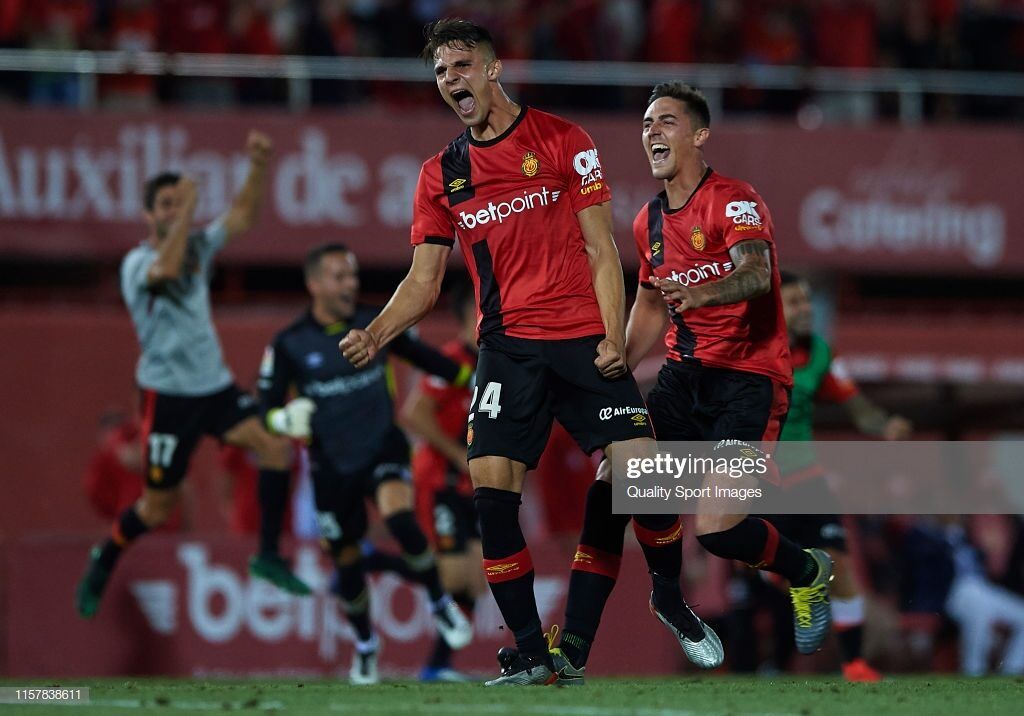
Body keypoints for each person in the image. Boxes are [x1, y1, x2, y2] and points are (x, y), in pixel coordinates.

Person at [341, 19, 722, 686]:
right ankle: (529, 651)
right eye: (440, 72)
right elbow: (424, 281)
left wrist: (612, 336)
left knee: (641, 473)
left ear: (491, 69)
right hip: (506, 348)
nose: (451, 80)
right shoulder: (441, 174)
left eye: (461, 66)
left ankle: (666, 592)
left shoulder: (563, 141)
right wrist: (377, 333)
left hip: (580, 338)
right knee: (491, 489)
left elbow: (603, 249)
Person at [621, 81, 834, 656]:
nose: (653, 131)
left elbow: (757, 274)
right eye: (646, 123)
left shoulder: (734, 199)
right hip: (683, 376)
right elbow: (646, 303)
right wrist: (616, 363)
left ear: (698, 134)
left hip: (749, 379)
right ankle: (667, 598)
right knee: (628, 476)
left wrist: (703, 296)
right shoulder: (647, 223)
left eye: (666, 121)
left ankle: (807, 571)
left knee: (718, 530)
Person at [74, 131, 303, 619]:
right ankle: (107, 555)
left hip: (213, 388)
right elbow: (169, 265)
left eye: (179, 203)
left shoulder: (194, 245)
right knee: (157, 508)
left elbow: (240, 217)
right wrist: (187, 212)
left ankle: (266, 555)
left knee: (274, 446)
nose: (175, 211)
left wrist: (258, 166)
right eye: (165, 204)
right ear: (148, 214)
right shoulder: (136, 264)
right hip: (168, 398)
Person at [259, 242, 474, 685]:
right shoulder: (289, 344)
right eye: (339, 276)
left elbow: (432, 361)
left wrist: (477, 377)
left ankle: (439, 604)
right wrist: (281, 417)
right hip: (331, 466)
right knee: (348, 563)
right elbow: (264, 406)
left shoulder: (373, 325)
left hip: (382, 447)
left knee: (399, 516)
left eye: (353, 275)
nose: (350, 284)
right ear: (314, 283)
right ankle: (365, 645)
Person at [763, 270, 911, 681]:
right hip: (758, 477)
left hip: (807, 477)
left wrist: (884, 425)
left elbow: (856, 404)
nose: (806, 309)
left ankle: (854, 663)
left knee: (840, 565)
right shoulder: (751, 350)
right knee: (754, 559)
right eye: (795, 302)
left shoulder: (821, 354)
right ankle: (797, 582)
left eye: (807, 301)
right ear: (775, 307)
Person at [400, 279, 482, 682]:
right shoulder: (454, 360)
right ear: (473, 312)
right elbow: (415, 414)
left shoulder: (495, 365)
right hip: (440, 482)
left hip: (471, 488)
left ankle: (438, 666)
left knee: (476, 580)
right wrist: (459, 459)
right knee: (453, 577)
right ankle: (370, 560)